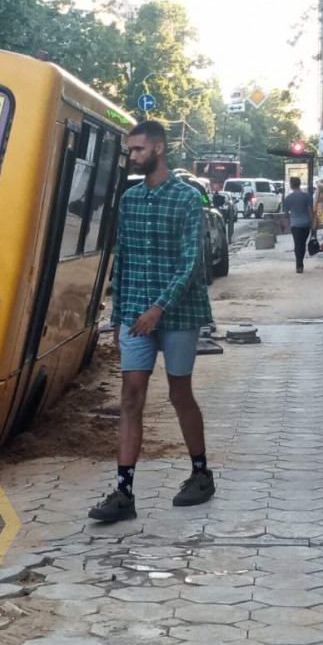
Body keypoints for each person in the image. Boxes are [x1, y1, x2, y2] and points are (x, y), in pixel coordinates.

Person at [89, 120, 214, 522]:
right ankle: (124, 493)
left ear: (158, 148)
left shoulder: (187, 199)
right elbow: (122, 258)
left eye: (138, 150)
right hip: (135, 314)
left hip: (179, 313)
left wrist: (159, 307)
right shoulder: (129, 199)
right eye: (131, 151)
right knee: (131, 395)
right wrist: (118, 316)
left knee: (180, 393)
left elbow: (191, 262)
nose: (132, 157)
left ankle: (200, 473)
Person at [282, 176, 314, 273]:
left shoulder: (288, 198)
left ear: (291, 185)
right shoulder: (307, 196)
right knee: (303, 244)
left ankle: (299, 264)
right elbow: (310, 211)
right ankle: (301, 262)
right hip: (306, 224)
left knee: (297, 244)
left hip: (295, 225)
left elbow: (286, 214)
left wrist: (288, 220)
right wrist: (313, 223)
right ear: (299, 184)